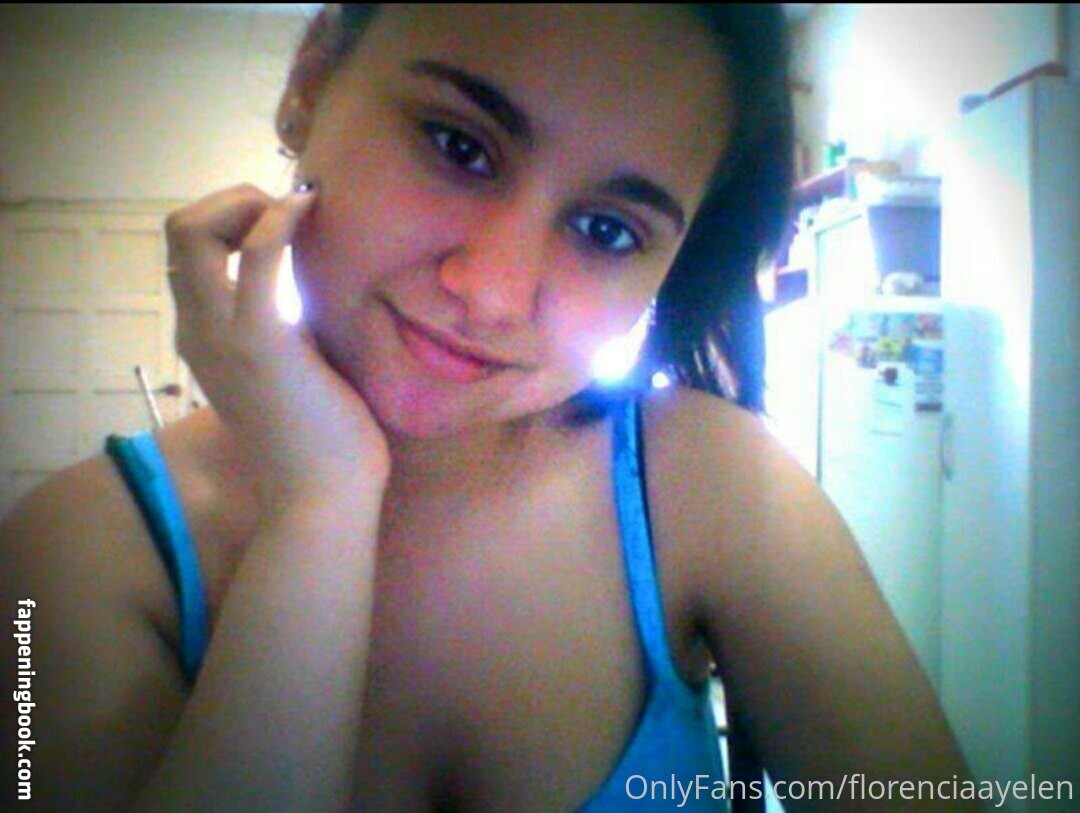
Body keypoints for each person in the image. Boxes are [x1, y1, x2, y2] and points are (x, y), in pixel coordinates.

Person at [0, 4, 975, 810]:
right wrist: (320, 509)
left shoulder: (710, 486)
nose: (495, 292)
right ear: (310, 86)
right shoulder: (71, 552)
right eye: (458, 145)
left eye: (607, 230)